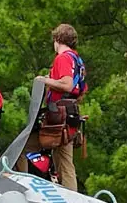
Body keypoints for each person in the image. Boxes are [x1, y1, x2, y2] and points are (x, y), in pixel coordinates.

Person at [30, 24, 89, 193]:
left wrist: (44, 80)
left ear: (57, 40)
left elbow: (68, 85)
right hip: (69, 115)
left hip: (58, 117)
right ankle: (68, 197)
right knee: (64, 160)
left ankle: (23, 189)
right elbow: (81, 90)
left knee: (24, 149)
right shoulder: (77, 60)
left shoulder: (63, 58)